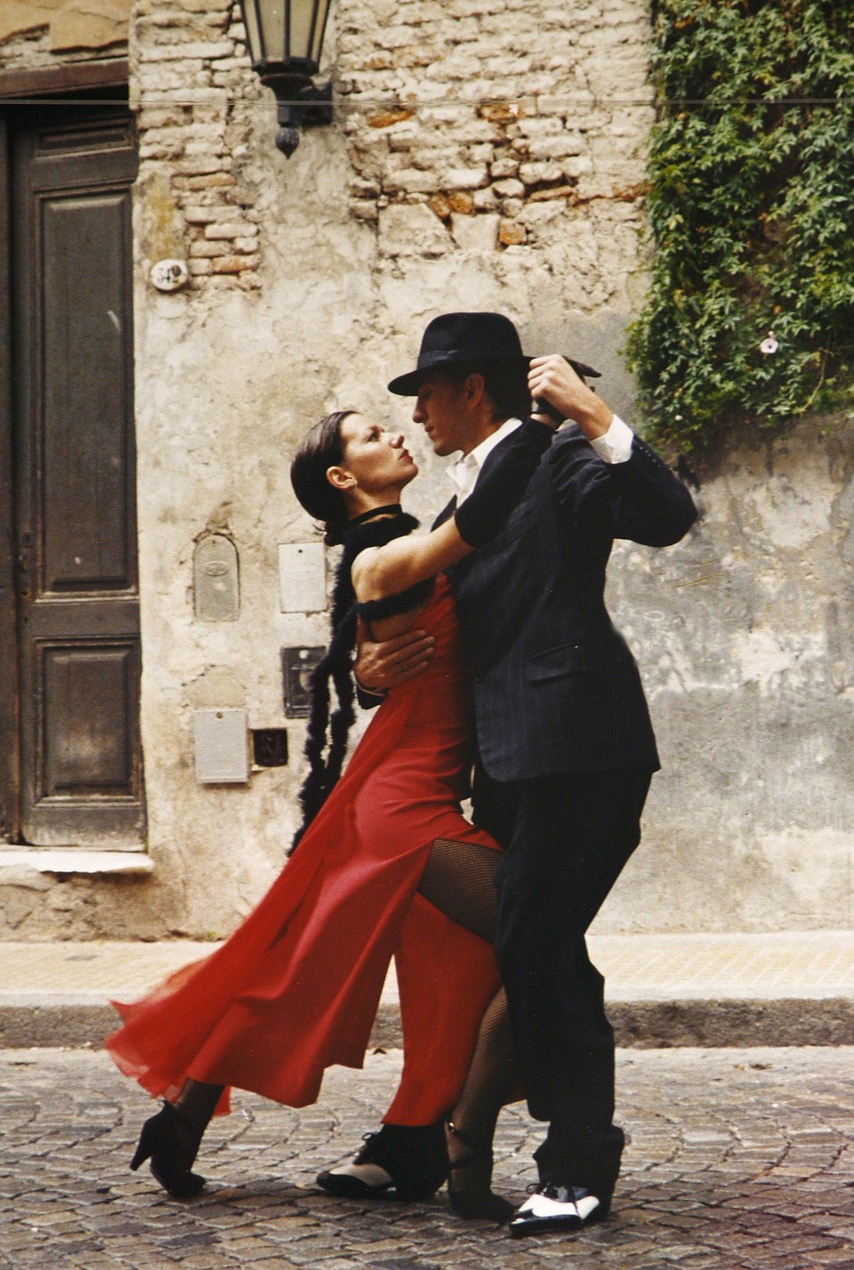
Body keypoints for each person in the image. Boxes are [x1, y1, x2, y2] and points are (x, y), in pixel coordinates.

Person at [104, 401, 561, 1219]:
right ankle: (459, 1146)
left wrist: (368, 671)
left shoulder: (390, 545)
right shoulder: (380, 551)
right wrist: (531, 422)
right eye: (372, 435)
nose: (396, 433)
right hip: (406, 806)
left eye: (393, 425)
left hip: (406, 787)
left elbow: (381, 645)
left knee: (397, 969)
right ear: (344, 479)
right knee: (538, 929)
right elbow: (478, 522)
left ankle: (216, 1119)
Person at [334, 312, 698, 1238]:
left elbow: (668, 518)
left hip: (581, 746)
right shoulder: (457, 496)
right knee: (537, 949)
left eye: (425, 393)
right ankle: (448, 1136)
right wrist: (368, 672)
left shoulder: (560, 459)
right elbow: (423, 627)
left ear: (471, 390)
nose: (416, 412)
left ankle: (570, 1164)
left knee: (535, 940)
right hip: (501, 763)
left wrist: (597, 417)